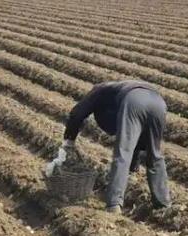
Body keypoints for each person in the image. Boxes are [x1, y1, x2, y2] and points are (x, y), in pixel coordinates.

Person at [45, 80, 171, 213]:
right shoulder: (114, 91)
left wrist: (69, 141)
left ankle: (113, 204)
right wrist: (133, 167)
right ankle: (162, 204)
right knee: (154, 154)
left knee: (123, 152)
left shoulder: (98, 91)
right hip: (158, 103)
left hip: (134, 100)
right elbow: (137, 141)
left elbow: (76, 114)